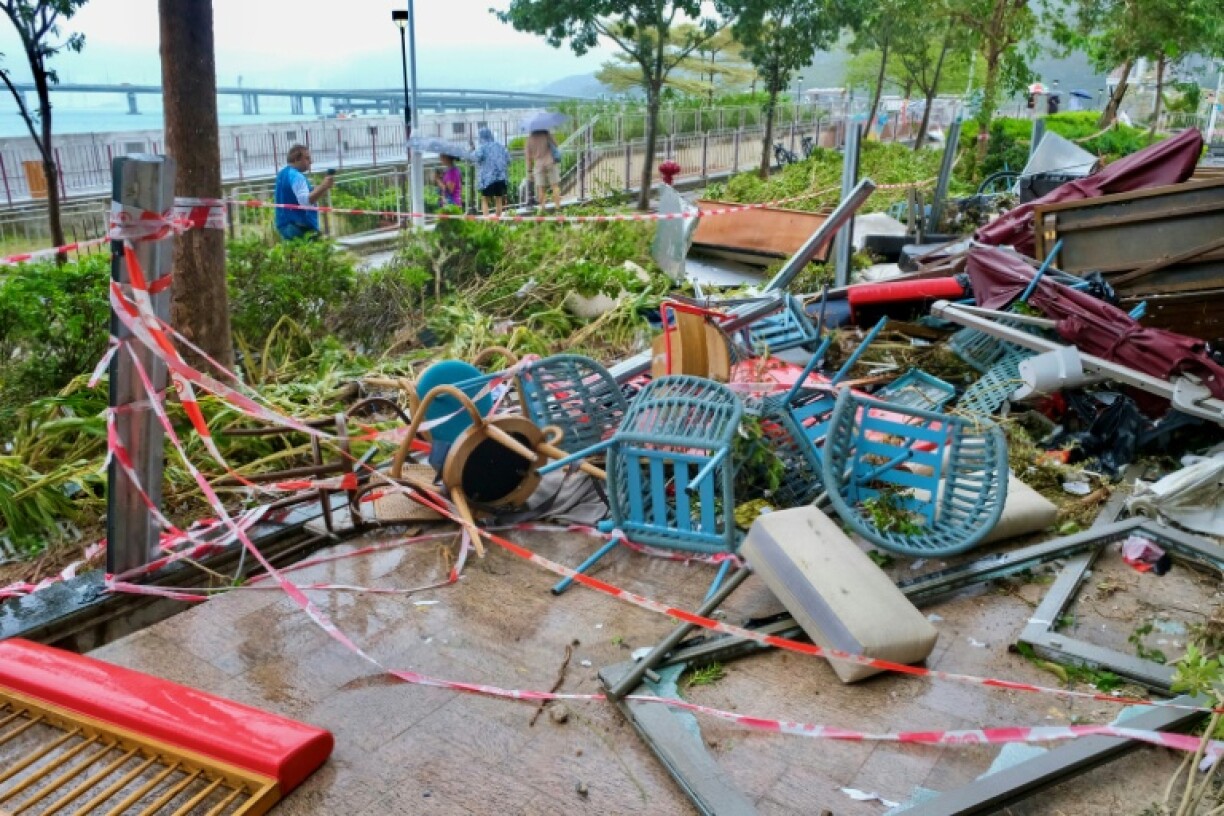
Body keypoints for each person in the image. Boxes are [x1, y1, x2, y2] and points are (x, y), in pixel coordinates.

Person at [274, 144, 334, 241]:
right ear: (296, 159)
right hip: (300, 226)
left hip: (284, 224)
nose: (311, 162)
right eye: (307, 158)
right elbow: (305, 201)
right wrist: (324, 186)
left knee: (294, 255)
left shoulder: (282, 174)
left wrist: (317, 189)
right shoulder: (297, 176)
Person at [471, 127, 510, 217]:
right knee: (498, 199)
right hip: (501, 177)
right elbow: (508, 159)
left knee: (485, 200)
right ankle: (497, 221)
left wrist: (472, 150)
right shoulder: (500, 146)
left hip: (488, 178)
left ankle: (487, 222)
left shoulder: (482, 147)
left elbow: (475, 157)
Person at [525, 129, 562, 212]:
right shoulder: (546, 134)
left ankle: (542, 209)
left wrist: (529, 171)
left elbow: (528, 157)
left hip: (538, 166)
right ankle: (558, 209)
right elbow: (556, 145)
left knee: (541, 189)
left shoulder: (529, 139)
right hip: (550, 162)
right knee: (555, 187)